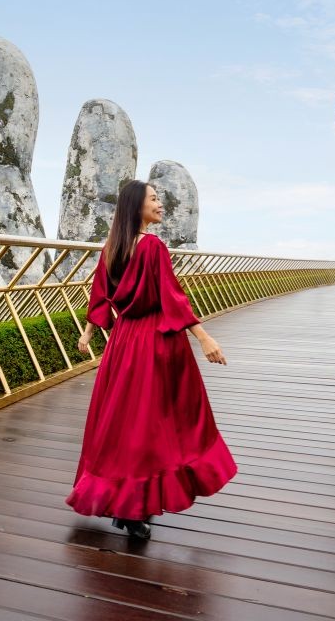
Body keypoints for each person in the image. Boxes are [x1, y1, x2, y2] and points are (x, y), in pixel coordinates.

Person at [65, 179, 237, 540]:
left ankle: (126, 503)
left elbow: (100, 295)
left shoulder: (111, 247)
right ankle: (134, 506)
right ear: (137, 208)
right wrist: (204, 338)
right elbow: (172, 298)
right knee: (159, 424)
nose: (161, 205)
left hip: (123, 342)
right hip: (156, 342)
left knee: (123, 424)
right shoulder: (153, 247)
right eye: (154, 200)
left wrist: (88, 332)